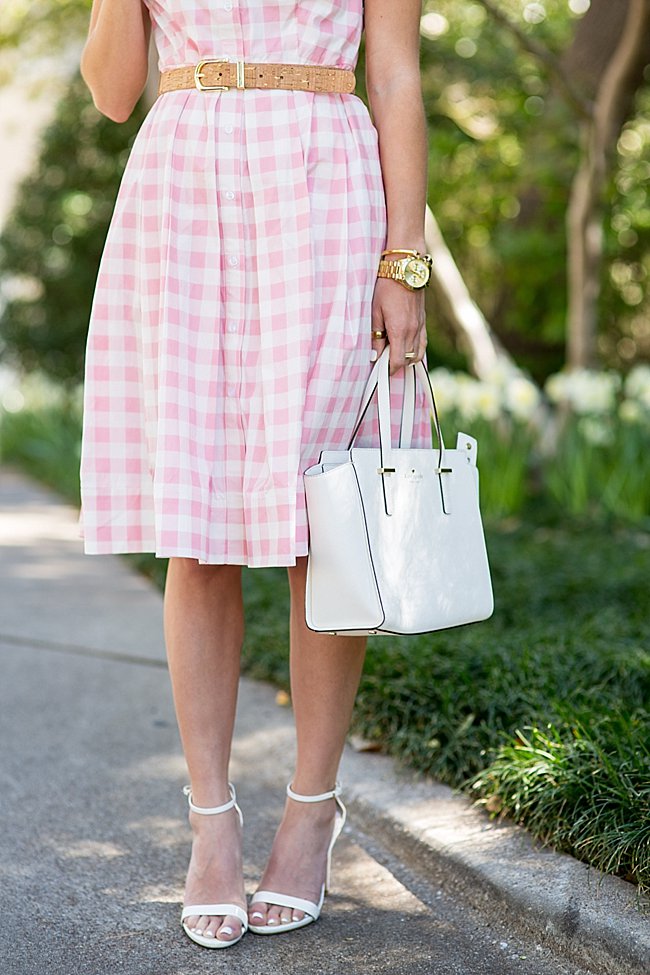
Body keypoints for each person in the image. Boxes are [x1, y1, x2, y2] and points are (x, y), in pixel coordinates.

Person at [79, 0, 431, 950]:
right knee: (197, 530)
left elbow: (395, 71)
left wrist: (404, 257)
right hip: (184, 197)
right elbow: (115, 94)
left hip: (326, 192)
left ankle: (312, 811)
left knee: (327, 522)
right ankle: (211, 825)